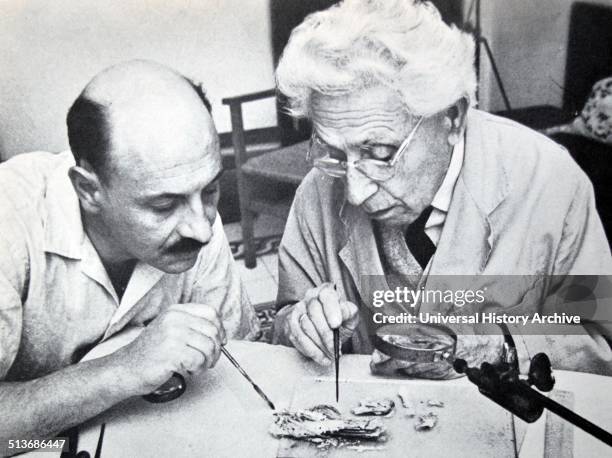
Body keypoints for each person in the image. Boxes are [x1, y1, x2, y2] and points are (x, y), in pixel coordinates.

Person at [272, 0, 612, 377]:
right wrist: (298, 326)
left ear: (452, 117)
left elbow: (600, 340)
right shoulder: (318, 190)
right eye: (334, 152)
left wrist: (502, 347)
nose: (354, 192)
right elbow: (282, 326)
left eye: (380, 153)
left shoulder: (550, 180)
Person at [0, 60, 259, 447]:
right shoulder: (10, 219)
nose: (202, 229)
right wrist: (122, 368)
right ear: (88, 190)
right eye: (163, 205)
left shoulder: (195, 214)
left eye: (210, 190)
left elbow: (240, 366)